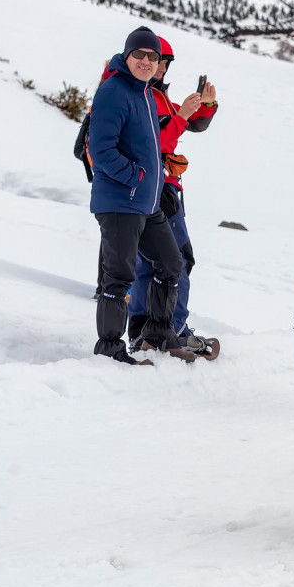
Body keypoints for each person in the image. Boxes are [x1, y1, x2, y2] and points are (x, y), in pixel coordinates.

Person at [89, 26, 185, 364]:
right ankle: (110, 349)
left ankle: (158, 334)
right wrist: (136, 176)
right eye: (139, 54)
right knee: (118, 277)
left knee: (171, 263)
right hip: (119, 202)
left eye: (153, 56)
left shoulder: (143, 92)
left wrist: (154, 182)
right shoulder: (114, 91)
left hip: (146, 201)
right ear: (127, 55)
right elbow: (100, 150)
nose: (146, 61)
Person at [126, 36, 219, 357]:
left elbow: (188, 126)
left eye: (164, 62)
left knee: (150, 262)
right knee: (176, 259)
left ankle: (144, 329)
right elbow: (157, 141)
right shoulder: (144, 95)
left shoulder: (154, 94)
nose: (161, 67)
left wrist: (203, 107)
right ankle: (172, 327)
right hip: (157, 186)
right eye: (157, 60)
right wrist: (183, 116)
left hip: (154, 186)